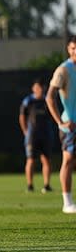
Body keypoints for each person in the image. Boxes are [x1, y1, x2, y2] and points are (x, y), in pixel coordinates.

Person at [45, 35, 76, 214]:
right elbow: (50, 96)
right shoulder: (63, 69)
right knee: (69, 160)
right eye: (73, 48)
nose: (75, 51)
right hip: (70, 125)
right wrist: (61, 122)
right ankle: (67, 202)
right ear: (68, 49)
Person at [19, 78, 54, 193]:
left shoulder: (47, 100)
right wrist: (25, 131)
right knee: (31, 160)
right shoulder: (28, 101)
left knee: (46, 159)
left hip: (45, 134)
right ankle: (30, 185)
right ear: (33, 88)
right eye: (36, 88)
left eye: (41, 88)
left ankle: (47, 185)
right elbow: (22, 116)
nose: (39, 90)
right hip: (32, 136)